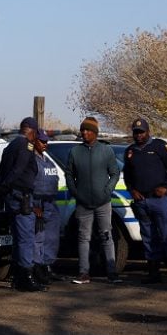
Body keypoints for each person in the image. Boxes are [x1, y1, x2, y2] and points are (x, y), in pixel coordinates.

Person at [123, 118, 167, 285]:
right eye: (136, 132)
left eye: (141, 132)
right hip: (141, 201)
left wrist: (166, 186)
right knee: (148, 237)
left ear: (148, 131)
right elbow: (128, 176)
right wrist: (132, 191)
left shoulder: (159, 146)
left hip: (159, 199)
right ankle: (153, 272)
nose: (138, 135)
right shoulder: (130, 151)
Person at [63, 116, 121, 285]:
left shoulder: (106, 150)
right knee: (83, 237)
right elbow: (69, 174)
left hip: (103, 202)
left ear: (95, 133)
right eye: (82, 130)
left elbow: (115, 173)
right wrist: (75, 192)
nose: (84, 133)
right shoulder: (75, 152)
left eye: (88, 130)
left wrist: (107, 190)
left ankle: (112, 272)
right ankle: (83, 273)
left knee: (106, 235)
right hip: (83, 203)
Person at [0, 117, 46, 292]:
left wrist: (2, 187)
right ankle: (26, 277)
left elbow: (1, 171)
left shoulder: (10, 145)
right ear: (31, 131)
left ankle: (18, 277)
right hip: (21, 196)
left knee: (18, 238)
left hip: (12, 196)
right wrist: (7, 186)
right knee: (26, 238)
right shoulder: (26, 145)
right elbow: (18, 170)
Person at [31, 130, 63, 285]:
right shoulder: (31, 160)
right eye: (42, 141)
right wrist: (32, 205)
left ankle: (47, 266)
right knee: (38, 237)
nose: (45, 144)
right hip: (37, 203)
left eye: (46, 141)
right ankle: (37, 269)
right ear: (34, 141)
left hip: (50, 202)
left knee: (51, 237)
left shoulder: (47, 160)